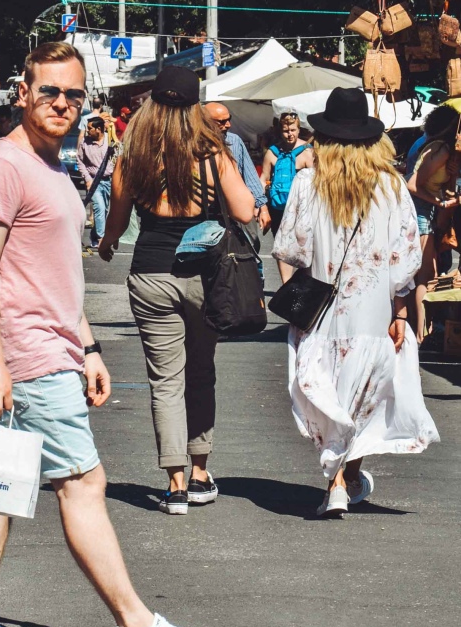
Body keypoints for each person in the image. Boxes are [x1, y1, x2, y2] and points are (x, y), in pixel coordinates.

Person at [0, 41, 221, 627]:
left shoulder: (51, 164)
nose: (62, 104)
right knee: (83, 481)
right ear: (22, 93)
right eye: (50, 92)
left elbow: (54, 272)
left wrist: (89, 345)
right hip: (26, 352)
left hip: (52, 346)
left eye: (73, 94)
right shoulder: (4, 167)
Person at [273, 88, 438, 518]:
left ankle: (336, 482)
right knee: (363, 394)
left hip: (322, 314)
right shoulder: (390, 185)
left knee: (329, 391)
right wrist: (400, 308)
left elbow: (290, 248)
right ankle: (345, 477)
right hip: (373, 312)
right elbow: (406, 260)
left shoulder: (309, 182)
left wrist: (295, 301)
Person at [99, 65, 254, 516]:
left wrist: (108, 244)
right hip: (203, 278)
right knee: (201, 372)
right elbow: (244, 210)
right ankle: (202, 473)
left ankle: (174, 484)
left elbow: (117, 221)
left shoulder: (134, 155)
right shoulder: (211, 153)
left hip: (150, 274)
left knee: (164, 381)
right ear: (194, 108)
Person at [406, 104, 461, 343]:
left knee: (428, 274)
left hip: (427, 210)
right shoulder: (439, 150)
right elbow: (411, 183)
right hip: (421, 211)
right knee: (425, 275)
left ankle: (422, 329)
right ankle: (421, 332)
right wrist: (438, 203)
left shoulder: (444, 151)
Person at [262, 111, 314, 282]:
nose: (290, 134)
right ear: (280, 131)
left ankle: (303, 282)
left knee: (303, 246)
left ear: (299, 130)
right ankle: (286, 284)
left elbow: (317, 182)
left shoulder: (307, 152)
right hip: (278, 207)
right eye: (286, 131)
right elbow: (264, 179)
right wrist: (261, 207)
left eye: (293, 130)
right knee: (282, 246)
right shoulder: (272, 152)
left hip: (303, 209)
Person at [205, 102, 271, 235]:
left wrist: (263, 208)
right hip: (205, 215)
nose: (228, 125)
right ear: (205, 122)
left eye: (229, 119)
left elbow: (249, 175)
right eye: (222, 122)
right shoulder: (192, 144)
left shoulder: (234, 141)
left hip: (235, 212)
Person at [77, 115, 115, 250]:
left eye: (89, 128)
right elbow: (80, 162)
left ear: (98, 129)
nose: (87, 131)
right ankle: (101, 238)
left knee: (105, 210)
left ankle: (94, 236)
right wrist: (87, 179)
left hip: (110, 180)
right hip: (94, 181)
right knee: (98, 207)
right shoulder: (84, 143)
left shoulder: (111, 140)